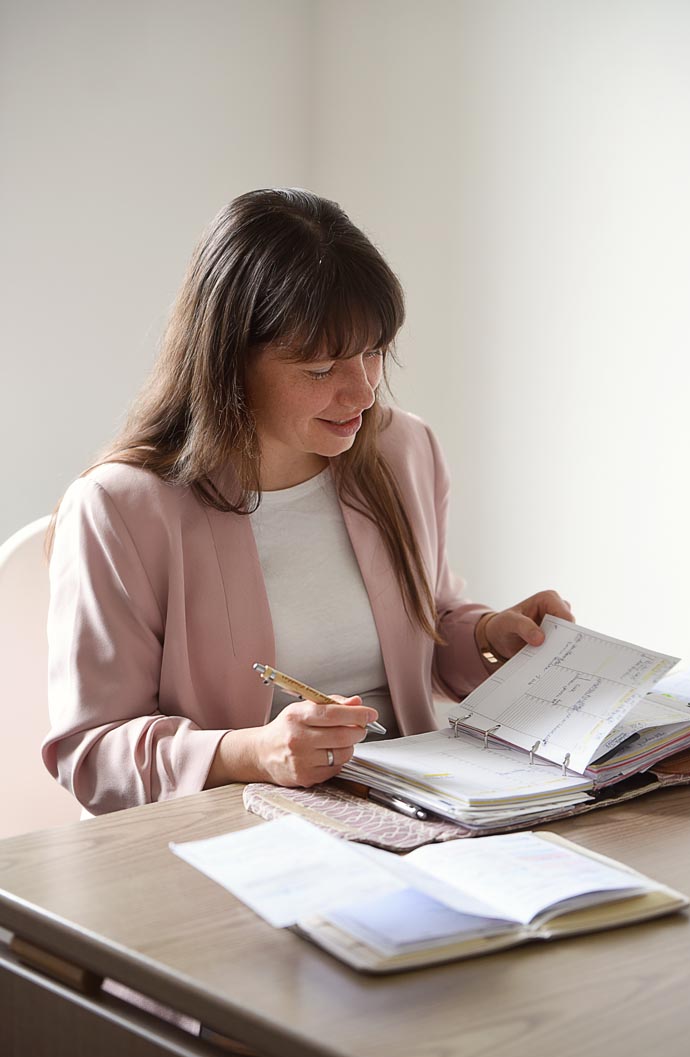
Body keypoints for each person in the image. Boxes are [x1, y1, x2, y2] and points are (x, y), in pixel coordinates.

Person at [42, 188, 573, 816]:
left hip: (416, 807)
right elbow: (91, 750)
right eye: (321, 370)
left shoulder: (403, 451)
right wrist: (252, 753)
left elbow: (431, 621)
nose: (363, 391)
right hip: (231, 832)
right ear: (228, 362)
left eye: (374, 352)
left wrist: (487, 636)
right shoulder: (121, 508)